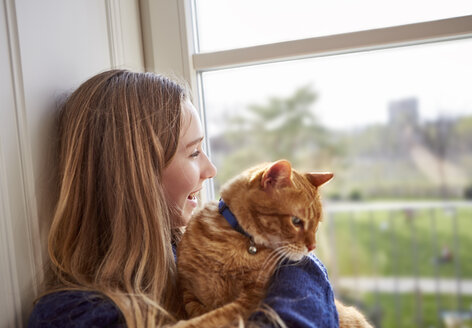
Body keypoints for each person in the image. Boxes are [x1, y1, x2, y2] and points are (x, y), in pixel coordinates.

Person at [28, 69, 339, 328]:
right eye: (193, 152)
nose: (211, 169)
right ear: (138, 178)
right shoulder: (75, 314)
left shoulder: (195, 255)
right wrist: (297, 263)